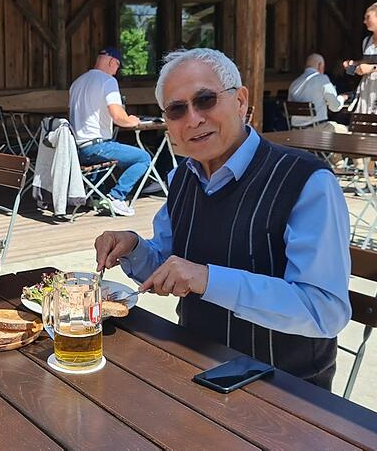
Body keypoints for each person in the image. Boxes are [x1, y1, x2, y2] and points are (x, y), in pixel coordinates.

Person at [94, 48, 351, 389]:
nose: (193, 119)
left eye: (205, 100)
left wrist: (208, 279)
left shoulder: (305, 182)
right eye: (177, 109)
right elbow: (167, 264)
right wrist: (133, 247)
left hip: (284, 388)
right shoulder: (183, 177)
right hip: (192, 366)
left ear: (241, 101)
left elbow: (324, 311)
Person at [69, 47, 154, 217]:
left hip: (76, 149)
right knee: (143, 158)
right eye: (118, 65)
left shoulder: (77, 83)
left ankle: (94, 196)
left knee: (108, 151)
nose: (116, 71)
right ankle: (116, 197)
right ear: (111, 62)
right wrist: (132, 120)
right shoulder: (108, 81)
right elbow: (117, 116)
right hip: (97, 147)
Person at [287, 53, 348, 132]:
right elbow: (335, 107)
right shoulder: (322, 79)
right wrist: (342, 98)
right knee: (347, 131)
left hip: (295, 130)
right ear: (320, 65)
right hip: (317, 129)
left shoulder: (294, 83)